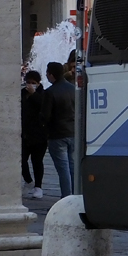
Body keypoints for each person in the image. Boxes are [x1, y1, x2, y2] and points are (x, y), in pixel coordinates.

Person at [40, 61, 76, 197]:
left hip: (57, 135)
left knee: (63, 169)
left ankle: (66, 197)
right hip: (73, 132)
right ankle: (75, 195)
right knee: (72, 167)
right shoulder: (73, 88)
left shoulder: (50, 92)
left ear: (51, 74)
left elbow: (45, 115)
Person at [20, 70, 48, 199]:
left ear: (38, 83)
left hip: (39, 134)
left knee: (37, 161)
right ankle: (28, 181)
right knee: (21, 160)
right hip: (24, 134)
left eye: (33, 83)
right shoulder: (22, 93)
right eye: (28, 82)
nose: (30, 85)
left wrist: (34, 94)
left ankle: (38, 186)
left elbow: (44, 107)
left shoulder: (43, 94)